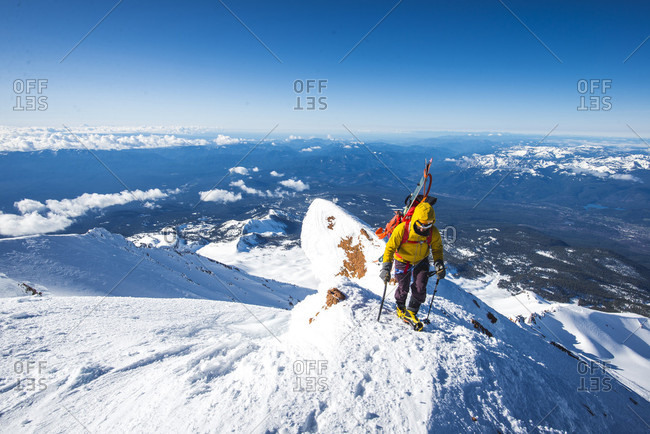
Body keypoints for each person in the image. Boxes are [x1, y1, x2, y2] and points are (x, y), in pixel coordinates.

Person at [379, 201, 445, 325]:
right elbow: (390, 248)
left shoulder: (433, 232)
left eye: (428, 225)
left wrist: (439, 263)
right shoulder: (402, 229)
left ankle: (411, 312)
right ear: (415, 220)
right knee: (403, 286)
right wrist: (386, 267)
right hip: (402, 259)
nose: (423, 228)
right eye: (421, 224)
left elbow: (437, 248)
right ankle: (400, 306)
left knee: (420, 286)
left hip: (421, 259)